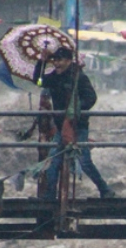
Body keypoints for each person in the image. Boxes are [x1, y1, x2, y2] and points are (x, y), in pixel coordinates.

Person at [37, 46, 114, 200]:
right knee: (54, 160)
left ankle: (105, 190)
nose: (57, 64)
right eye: (55, 60)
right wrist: (42, 62)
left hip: (78, 127)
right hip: (61, 128)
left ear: (68, 61)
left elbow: (91, 98)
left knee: (84, 161)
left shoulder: (78, 77)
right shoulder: (54, 77)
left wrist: (76, 109)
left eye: (60, 60)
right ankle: (50, 196)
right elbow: (39, 82)